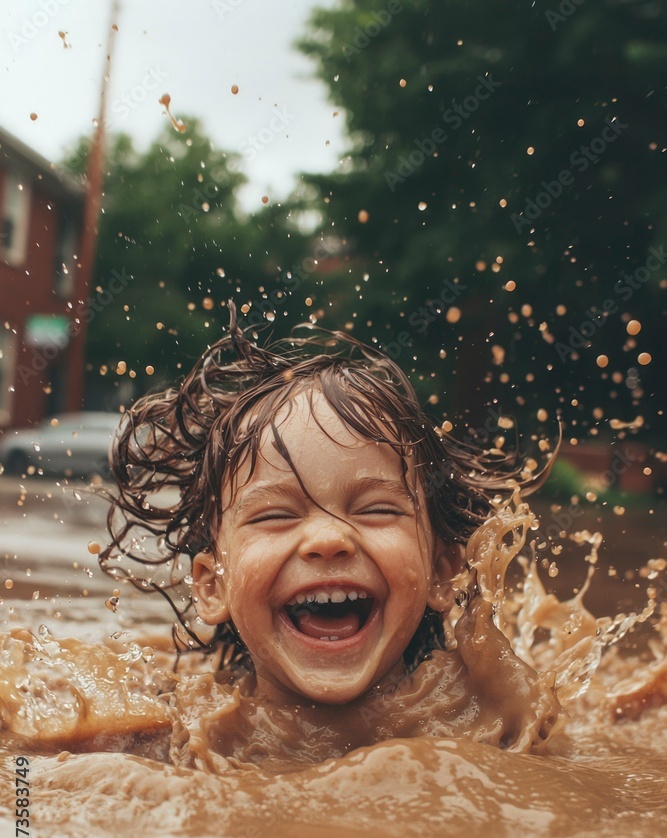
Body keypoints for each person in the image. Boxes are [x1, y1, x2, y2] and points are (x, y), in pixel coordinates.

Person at [100, 302, 560, 767]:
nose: (327, 538)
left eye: (377, 510)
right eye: (274, 516)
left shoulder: (494, 723)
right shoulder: (174, 734)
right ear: (213, 584)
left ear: (442, 572)